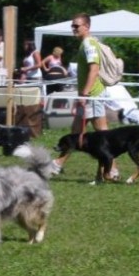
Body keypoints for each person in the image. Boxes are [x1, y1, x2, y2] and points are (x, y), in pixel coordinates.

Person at [54, 13, 118, 179]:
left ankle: (112, 169)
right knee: (77, 131)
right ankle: (58, 164)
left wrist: (84, 94)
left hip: (92, 95)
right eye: (72, 26)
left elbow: (94, 70)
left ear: (87, 27)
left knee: (101, 133)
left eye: (77, 26)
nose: (73, 29)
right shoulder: (85, 44)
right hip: (90, 95)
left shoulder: (89, 44)